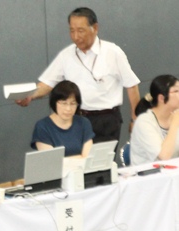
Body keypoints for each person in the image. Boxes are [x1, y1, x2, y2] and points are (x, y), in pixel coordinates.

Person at [16, 7, 140, 145]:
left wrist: (135, 119)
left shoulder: (113, 52)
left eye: (81, 31)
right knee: (77, 162)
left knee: (101, 164)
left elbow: (131, 86)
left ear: (95, 28)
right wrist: (30, 95)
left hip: (107, 120)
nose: (76, 36)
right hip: (76, 119)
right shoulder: (66, 55)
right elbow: (47, 83)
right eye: (72, 31)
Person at [31, 80, 94, 157]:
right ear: (54, 102)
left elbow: (88, 158)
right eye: (64, 103)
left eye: (73, 103)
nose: (68, 108)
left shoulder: (84, 123)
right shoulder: (43, 126)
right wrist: (79, 157)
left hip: (81, 169)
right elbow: (52, 161)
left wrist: (66, 160)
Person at [130, 75, 179, 166]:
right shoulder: (144, 122)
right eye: (176, 91)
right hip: (149, 176)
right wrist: (175, 123)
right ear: (161, 98)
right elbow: (164, 156)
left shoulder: (176, 115)